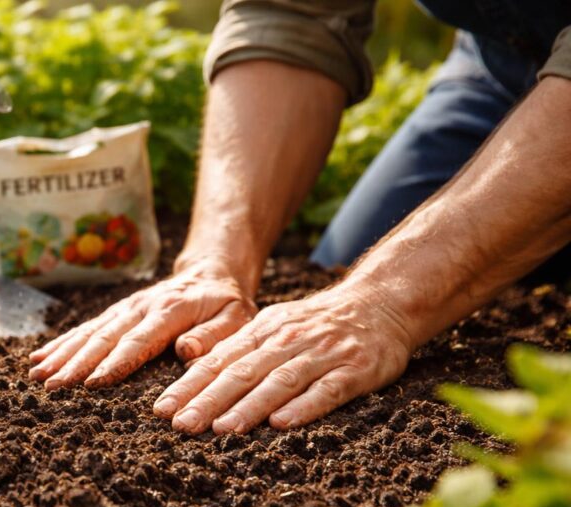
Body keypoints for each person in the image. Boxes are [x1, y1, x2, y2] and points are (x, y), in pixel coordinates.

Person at [28, 0, 571, 435]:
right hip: (498, 68)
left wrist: (381, 301)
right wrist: (214, 262)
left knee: (372, 296)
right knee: (335, 277)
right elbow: (290, 16)